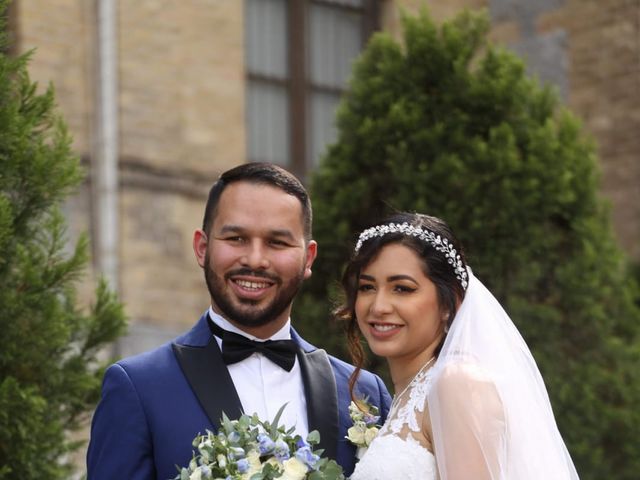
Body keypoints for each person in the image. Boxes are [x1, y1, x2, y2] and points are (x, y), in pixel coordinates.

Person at [86, 162, 392, 480]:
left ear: (308, 259)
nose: (255, 260)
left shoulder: (365, 395)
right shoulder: (138, 388)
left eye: (277, 243)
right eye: (236, 238)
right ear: (202, 248)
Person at [340, 212, 579, 479]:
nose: (379, 306)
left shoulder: (457, 383)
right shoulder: (408, 394)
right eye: (367, 287)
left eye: (402, 288)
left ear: (449, 301)